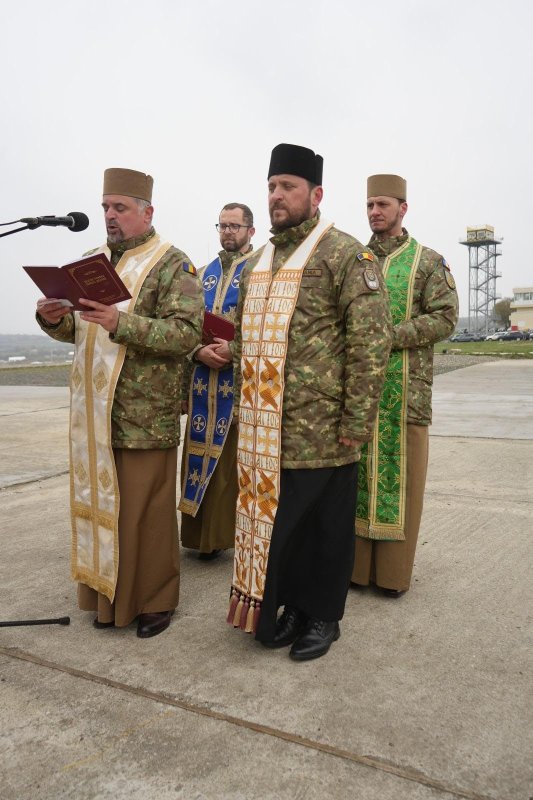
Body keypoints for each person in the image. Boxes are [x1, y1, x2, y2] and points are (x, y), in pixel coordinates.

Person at [227, 143, 392, 661]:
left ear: (315, 194)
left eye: (288, 187)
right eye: (272, 186)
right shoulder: (258, 261)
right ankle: (294, 606)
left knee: (325, 529)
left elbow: (371, 343)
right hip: (265, 426)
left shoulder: (346, 255)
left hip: (323, 425)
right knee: (285, 530)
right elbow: (245, 336)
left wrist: (357, 418)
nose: (277, 195)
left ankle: (324, 616)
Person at [35, 167, 204, 638]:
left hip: (143, 413)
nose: (109, 215)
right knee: (105, 509)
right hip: (95, 413)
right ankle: (105, 598)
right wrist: (53, 318)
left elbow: (187, 334)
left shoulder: (173, 263)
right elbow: (81, 331)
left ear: (147, 212)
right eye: (106, 206)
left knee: (145, 515)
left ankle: (154, 602)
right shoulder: (91, 260)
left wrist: (121, 322)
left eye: (120, 208)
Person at [352, 174, 459, 597]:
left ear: (402, 208)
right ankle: (355, 572)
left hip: (406, 395)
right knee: (355, 482)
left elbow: (445, 317)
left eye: (383, 204)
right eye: (370, 205)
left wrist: (390, 335)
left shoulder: (428, 261)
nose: (375, 212)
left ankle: (393, 576)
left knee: (404, 483)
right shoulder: (353, 260)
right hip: (357, 396)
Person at [179, 203, 255, 559]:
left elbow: (269, 328)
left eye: (234, 226)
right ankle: (199, 540)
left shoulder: (261, 271)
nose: (227, 232)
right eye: (222, 225)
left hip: (239, 387)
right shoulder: (201, 272)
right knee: (197, 455)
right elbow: (184, 324)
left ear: (250, 232)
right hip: (201, 383)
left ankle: (227, 538)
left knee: (229, 466)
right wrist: (197, 350)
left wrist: (234, 349)